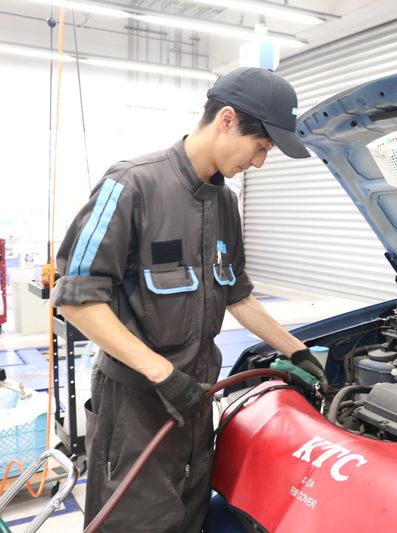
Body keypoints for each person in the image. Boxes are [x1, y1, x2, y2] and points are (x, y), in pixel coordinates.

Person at [52, 67, 326, 532]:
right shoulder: (130, 185)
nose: (260, 162)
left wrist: (296, 350)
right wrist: (161, 373)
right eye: (261, 147)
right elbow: (77, 299)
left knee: (190, 519)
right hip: (136, 410)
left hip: (196, 402)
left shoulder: (225, 205)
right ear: (226, 120)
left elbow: (238, 296)